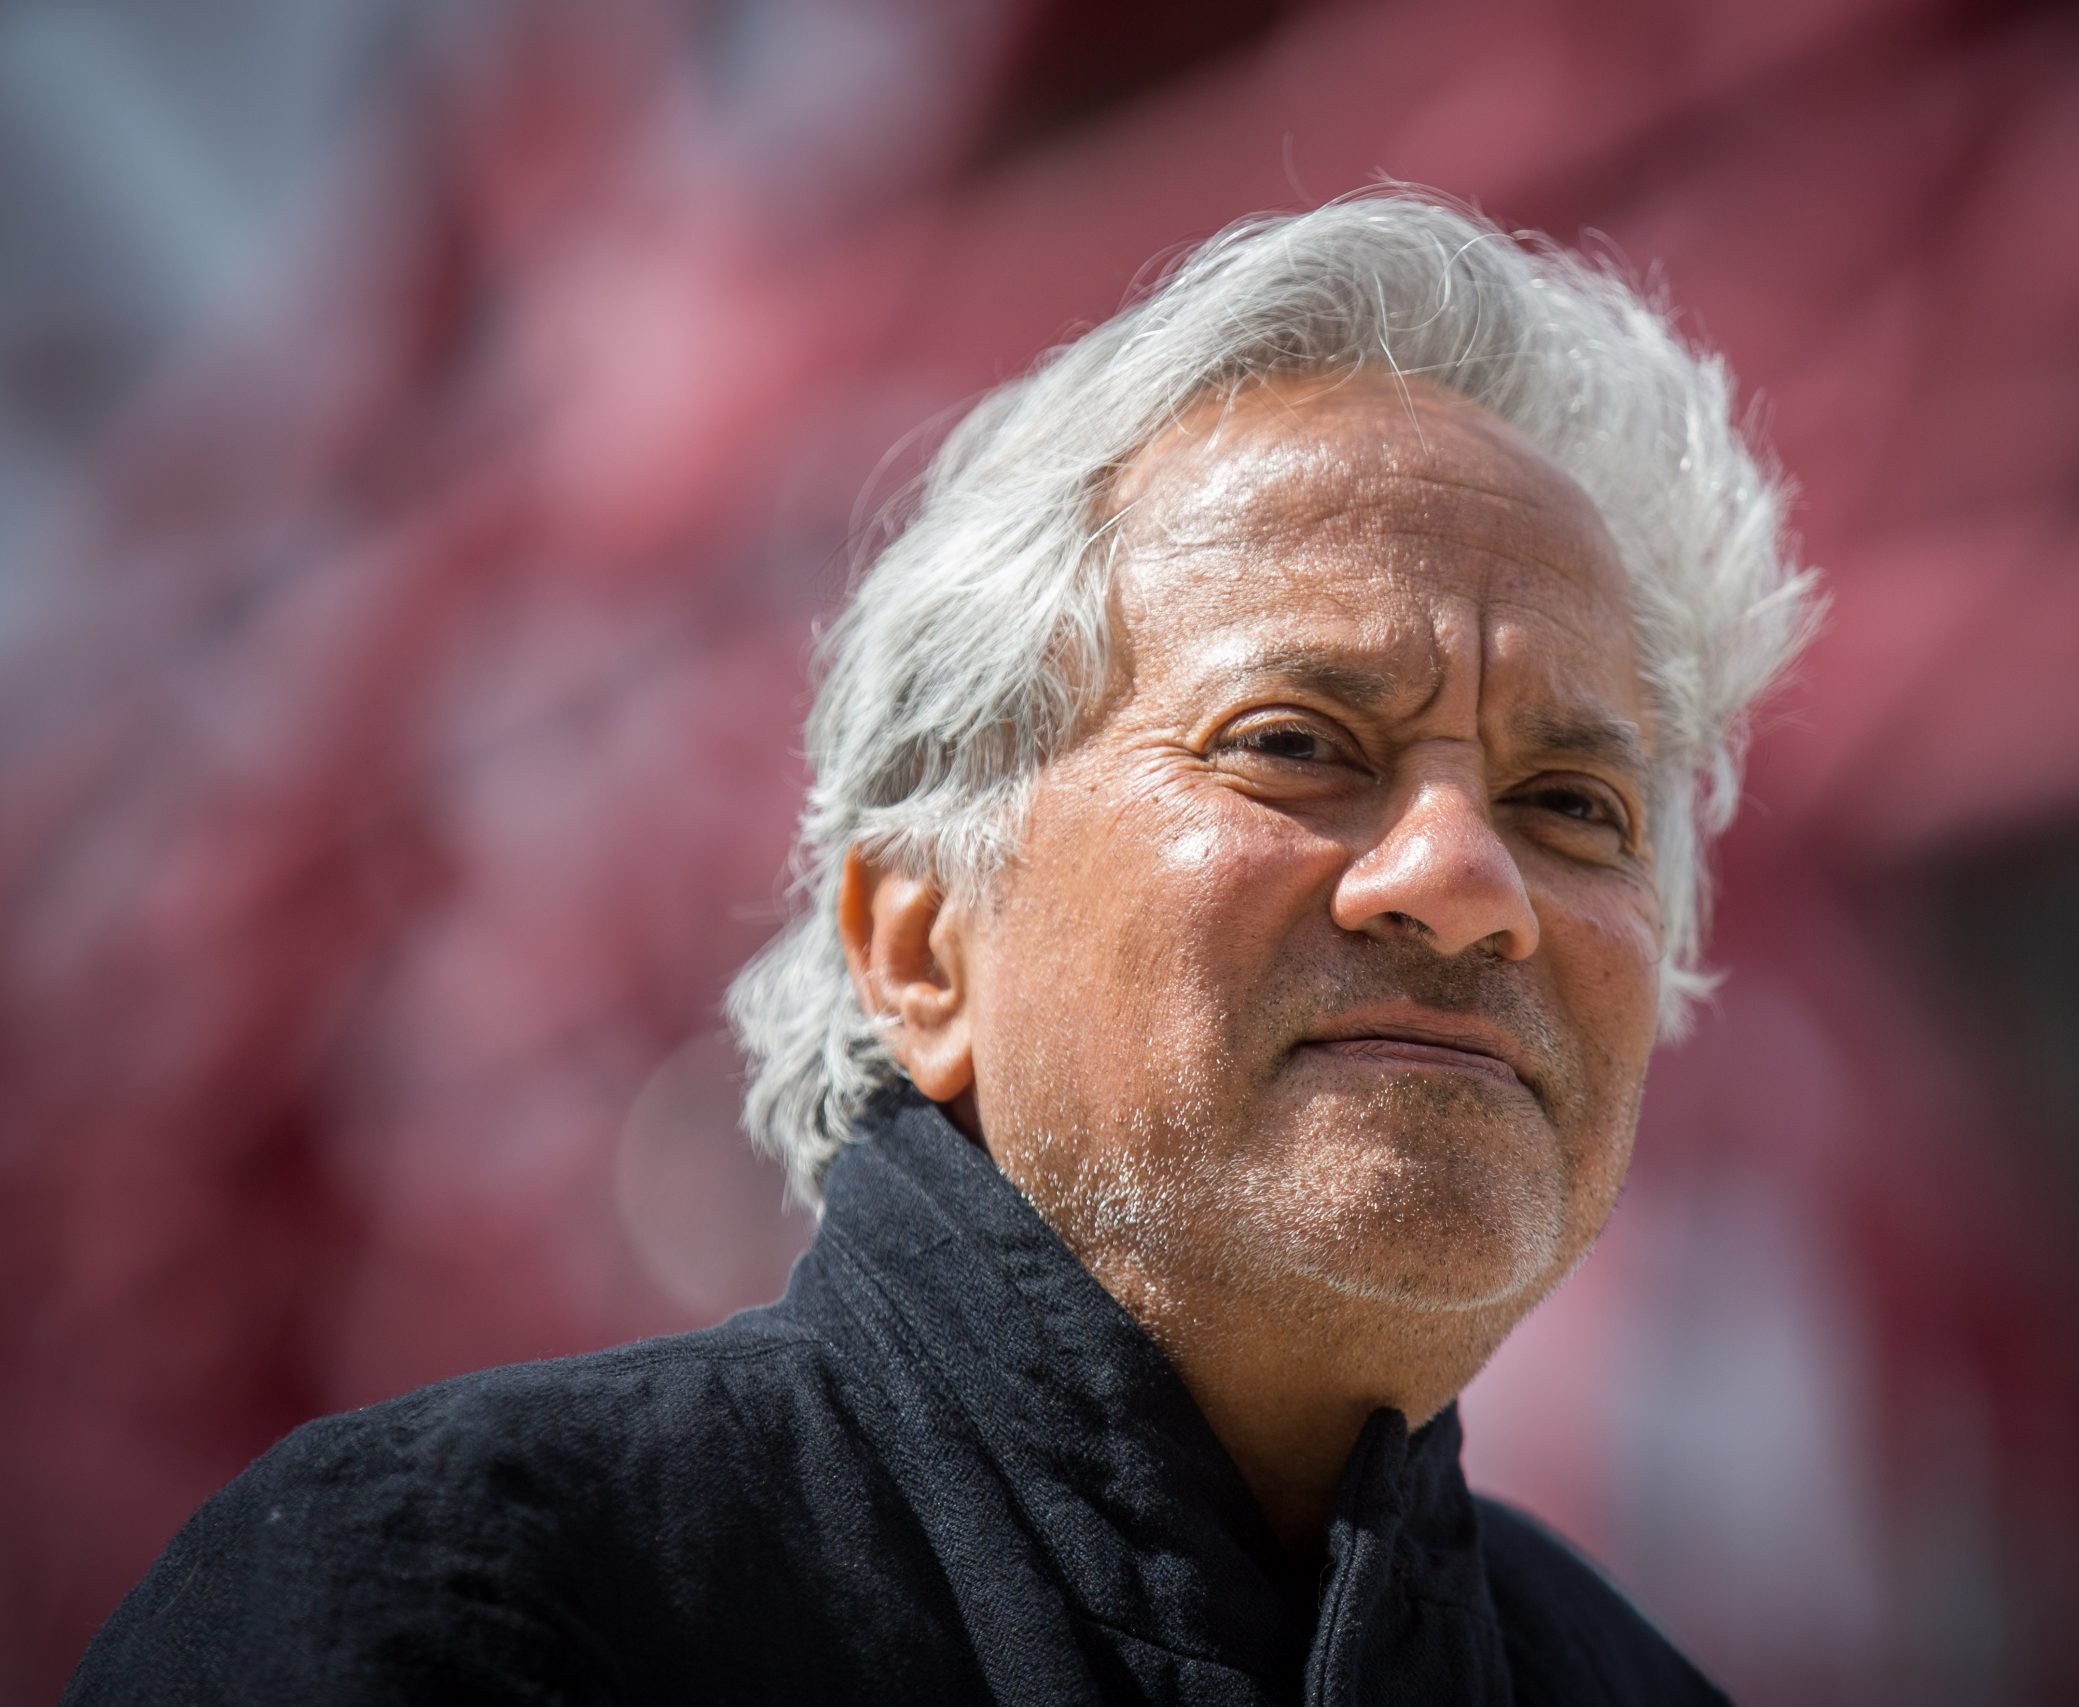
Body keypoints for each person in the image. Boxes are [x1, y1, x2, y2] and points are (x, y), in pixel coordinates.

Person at [71, 192, 1812, 1704]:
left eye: (1576, 805)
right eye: (1296, 742)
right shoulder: (464, 1608)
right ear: (919, 944)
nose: (1465, 877)